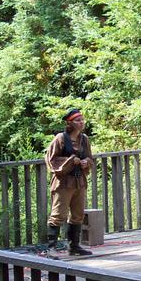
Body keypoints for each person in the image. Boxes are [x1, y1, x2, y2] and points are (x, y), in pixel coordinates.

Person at [45, 108, 93, 256]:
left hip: (79, 181)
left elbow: (91, 158)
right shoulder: (60, 138)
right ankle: (51, 248)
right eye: (78, 120)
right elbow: (51, 159)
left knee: (78, 214)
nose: (81, 123)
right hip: (63, 182)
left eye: (82, 120)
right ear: (70, 123)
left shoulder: (84, 139)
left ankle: (74, 247)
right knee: (59, 214)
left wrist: (86, 162)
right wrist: (71, 160)